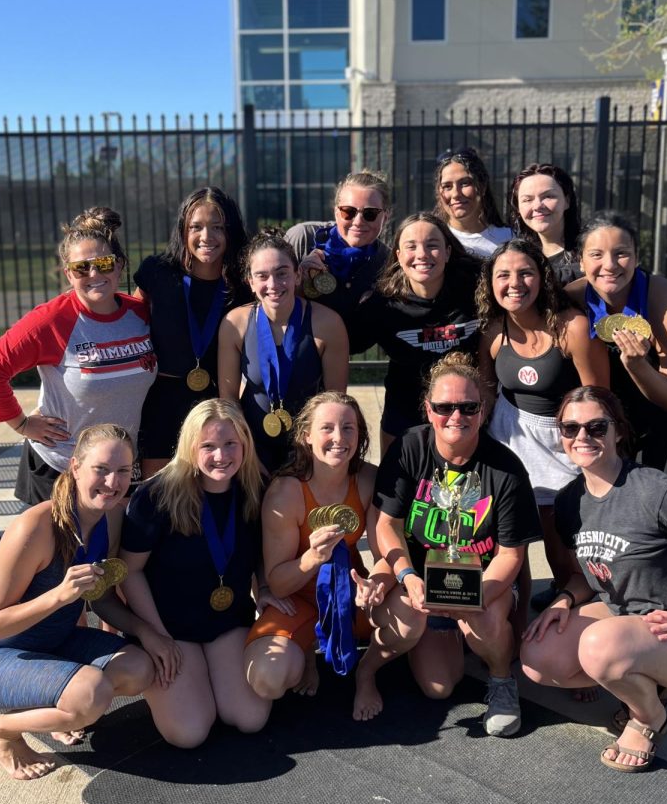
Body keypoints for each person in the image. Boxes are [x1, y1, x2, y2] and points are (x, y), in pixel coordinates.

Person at [521, 386, 667, 772]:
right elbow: (587, 575)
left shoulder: (658, 492)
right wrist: (564, 600)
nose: (582, 437)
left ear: (618, 432)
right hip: (625, 622)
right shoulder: (569, 502)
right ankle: (641, 677)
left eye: (596, 426)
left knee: (597, 648)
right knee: (538, 659)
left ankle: (648, 717)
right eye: (570, 428)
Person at [358, 352, 542, 734]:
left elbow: (511, 555)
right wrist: (409, 577)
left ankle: (501, 679)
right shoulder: (409, 448)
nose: (455, 417)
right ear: (428, 409)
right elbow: (387, 525)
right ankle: (368, 670)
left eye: (467, 407)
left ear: (483, 410)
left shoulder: (506, 469)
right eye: (444, 407)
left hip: (477, 582)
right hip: (421, 583)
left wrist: (474, 596)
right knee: (438, 687)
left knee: (487, 618)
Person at [0, 424, 154, 780]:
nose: (112, 482)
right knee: (90, 696)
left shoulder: (111, 515)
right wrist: (58, 596)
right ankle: (0, 732)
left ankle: (55, 700)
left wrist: (147, 632)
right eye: (101, 469)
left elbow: (101, 599)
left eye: (121, 472)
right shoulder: (35, 527)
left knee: (140, 668)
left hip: (56, 642)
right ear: (75, 466)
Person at [118, 399, 278, 748]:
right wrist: (155, 636)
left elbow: (259, 553)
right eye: (208, 446)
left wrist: (264, 586)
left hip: (226, 623)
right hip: (170, 630)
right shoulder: (155, 495)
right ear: (190, 446)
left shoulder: (255, 490)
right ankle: (184, 683)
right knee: (189, 733)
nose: (220, 456)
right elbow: (129, 572)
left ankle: (207, 680)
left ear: (245, 445)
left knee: (250, 718)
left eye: (230, 444)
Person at [0, 206, 157, 505]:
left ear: (120, 265)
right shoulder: (52, 320)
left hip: (118, 470)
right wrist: (21, 423)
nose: (94, 274)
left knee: (111, 552)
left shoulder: (139, 314)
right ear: (68, 273)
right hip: (59, 470)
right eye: (81, 268)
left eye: (104, 263)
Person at [477, 239, 609, 614]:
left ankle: (576, 604)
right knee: (510, 537)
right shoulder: (493, 331)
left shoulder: (573, 328)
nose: (514, 283)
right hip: (510, 438)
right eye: (503, 274)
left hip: (562, 442)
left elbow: (599, 400)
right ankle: (514, 615)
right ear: (490, 283)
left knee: (559, 535)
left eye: (525, 273)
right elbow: (486, 393)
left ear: (542, 278)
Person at [244, 392, 380, 714]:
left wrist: (378, 583)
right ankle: (305, 648)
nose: (339, 438)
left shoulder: (368, 479)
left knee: (409, 624)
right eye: (327, 428)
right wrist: (311, 559)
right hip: (299, 599)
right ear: (306, 435)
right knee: (266, 678)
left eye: (348, 428)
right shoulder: (285, 492)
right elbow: (277, 583)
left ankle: (367, 673)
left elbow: (386, 549)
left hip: (352, 594)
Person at [566, 210, 667, 484]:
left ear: (637, 257)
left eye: (621, 253)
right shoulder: (570, 299)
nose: (610, 265)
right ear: (580, 261)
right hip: (609, 413)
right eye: (596, 254)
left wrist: (638, 365)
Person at [133, 186, 250, 478]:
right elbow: (130, 322)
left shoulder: (243, 284)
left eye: (217, 227)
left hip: (212, 400)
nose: (206, 237)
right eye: (196, 227)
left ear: (231, 232)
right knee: (158, 490)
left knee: (208, 483)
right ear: (182, 230)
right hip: (160, 398)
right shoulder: (158, 271)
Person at [218, 231, 349, 473]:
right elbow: (229, 401)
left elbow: (336, 403)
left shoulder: (327, 324)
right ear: (250, 281)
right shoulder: (235, 323)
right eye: (262, 276)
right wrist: (245, 455)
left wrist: (313, 454)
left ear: (297, 275)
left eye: (282, 274)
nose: (273, 285)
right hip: (251, 451)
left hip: (308, 448)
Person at [354, 213, 483, 453]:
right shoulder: (382, 304)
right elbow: (344, 341)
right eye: (411, 247)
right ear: (398, 256)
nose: (422, 254)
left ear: (448, 252)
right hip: (404, 416)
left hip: (464, 416)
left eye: (432, 245)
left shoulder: (476, 293)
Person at [284, 169, 391, 343]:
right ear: (336, 212)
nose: (358, 222)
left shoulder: (387, 263)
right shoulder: (302, 238)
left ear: (385, 217)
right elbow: (269, 303)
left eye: (370, 214)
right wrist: (298, 282)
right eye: (348, 211)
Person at [508, 162, 583, 286]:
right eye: (527, 200)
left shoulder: (589, 252)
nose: (537, 206)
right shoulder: (518, 256)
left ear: (567, 201)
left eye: (548, 196)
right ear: (518, 209)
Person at [433, 146, 512, 259]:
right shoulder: (432, 240)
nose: (456, 194)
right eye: (447, 186)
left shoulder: (509, 237)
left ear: (483, 186)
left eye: (465, 183)